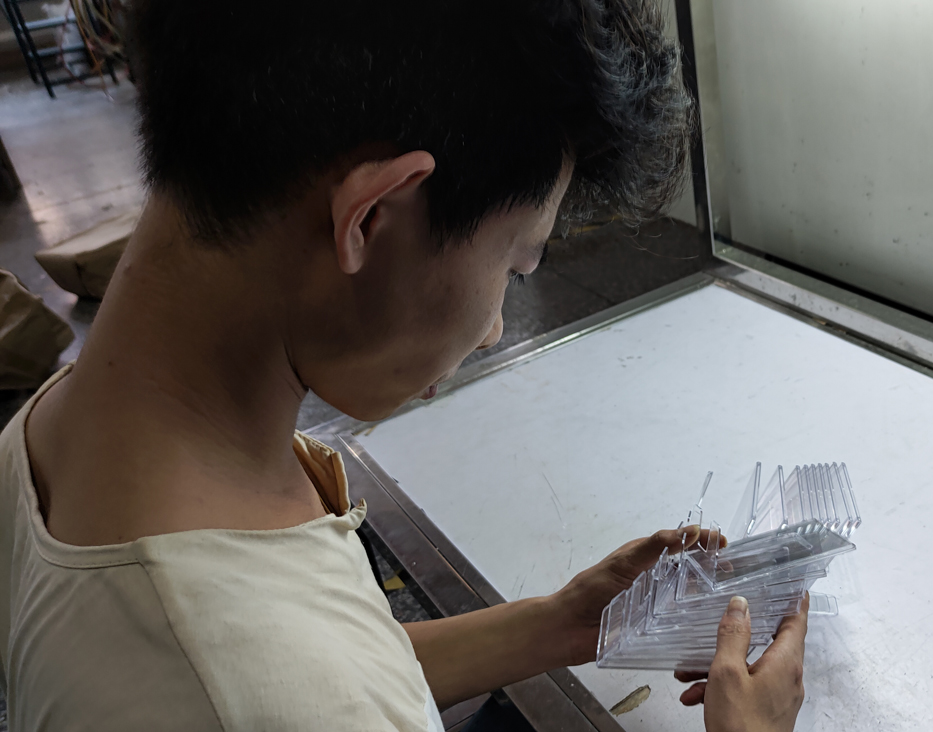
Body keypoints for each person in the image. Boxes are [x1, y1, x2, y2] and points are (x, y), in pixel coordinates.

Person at [1, 0, 809, 730]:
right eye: (516, 264)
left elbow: (338, 660)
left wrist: (564, 622)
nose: (493, 330)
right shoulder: (255, 693)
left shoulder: (52, 435)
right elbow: (308, 692)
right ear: (372, 217)